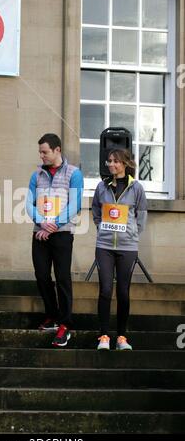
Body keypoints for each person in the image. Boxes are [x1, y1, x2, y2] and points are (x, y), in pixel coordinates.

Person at [27, 133, 83, 347]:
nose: (42, 156)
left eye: (45, 152)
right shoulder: (36, 175)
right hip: (40, 232)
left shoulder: (74, 173)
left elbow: (75, 204)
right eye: (40, 152)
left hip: (62, 233)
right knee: (41, 275)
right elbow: (28, 204)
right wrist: (42, 223)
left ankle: (65, 323)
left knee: (62, 278)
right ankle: (52, 315)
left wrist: (53, 226)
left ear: (57, 150)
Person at [92, 148, 147, 350]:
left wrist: (132, 235)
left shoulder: (136, 188)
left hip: (127, 247)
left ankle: (122, 337)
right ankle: (104, 336)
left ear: (125, 163)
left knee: (123, 292)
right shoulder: (101, 187)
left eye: (115, 161)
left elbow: (141, 215)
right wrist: (101, 228)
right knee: (106, 290)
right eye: (109, 161)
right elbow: (96, 210)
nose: (112, 165)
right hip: (104, 246)